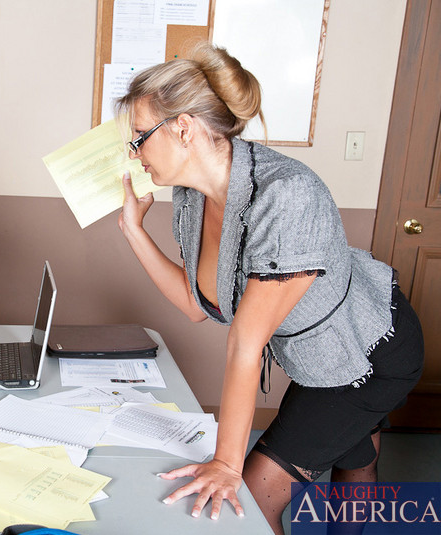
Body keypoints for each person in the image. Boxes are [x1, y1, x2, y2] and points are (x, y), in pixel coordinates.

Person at [115, 42, 423, 534]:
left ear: (183, 128)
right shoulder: (192, 197)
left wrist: (227, 464)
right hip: (323, 353)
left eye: (139, 136)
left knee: (253, 500)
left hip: (370, 352)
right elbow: (197, 305)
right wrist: (133, 229)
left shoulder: (287, 196)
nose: (134, 151)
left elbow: (246, 342)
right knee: (352, 448)